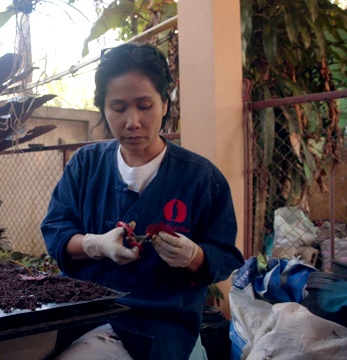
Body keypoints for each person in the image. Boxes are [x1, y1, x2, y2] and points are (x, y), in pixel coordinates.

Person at [41, 42, 245, 360]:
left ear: (165, 103)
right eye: (119, 108)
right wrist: (95, 244)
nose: (132, 121)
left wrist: (193, 255)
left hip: (159, 322)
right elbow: (56, 231)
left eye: (144, 105)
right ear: (104, 109)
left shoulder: (201, 179)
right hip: (81, 313)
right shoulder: (85, 166)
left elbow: (224, 256)